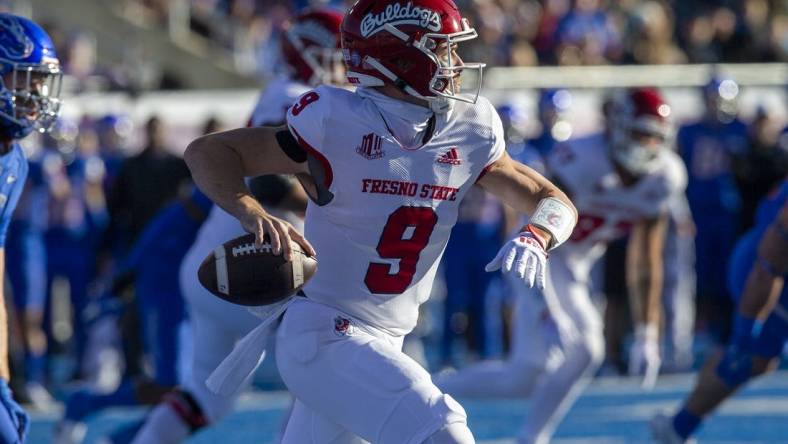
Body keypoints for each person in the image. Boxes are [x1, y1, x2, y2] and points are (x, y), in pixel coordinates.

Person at [186, 1, 577, 442]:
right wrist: (250, 210)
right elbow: (209, 152)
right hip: (325, 333)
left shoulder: (470, 127)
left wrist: (538, 234)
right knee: (443, 429)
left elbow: (553, 200)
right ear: (398, 57)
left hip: (385, 339)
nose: (454, 62)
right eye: (441, 49)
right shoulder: (334, 120)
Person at [124, 8, 345, 444]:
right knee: (326, 368)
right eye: (337, 57)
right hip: (258, 265)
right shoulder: (295, 95)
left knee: (206, 400)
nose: (345, 68)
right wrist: (337, 201)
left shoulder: (285, 92)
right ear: (310, 54)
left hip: (219, 260)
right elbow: (270, 181)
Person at [434, 88, 687, 444]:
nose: (646, 146)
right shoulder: (582, 157)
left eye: (654, 137)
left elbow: (646, 259)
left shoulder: (666, 176)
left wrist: (647, 331)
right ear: (618, 125)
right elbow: (534, 220)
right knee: (587, 348)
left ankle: (431, 388)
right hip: (536, 255)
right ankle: (531, 436)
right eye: (639, 134)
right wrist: (545, 307)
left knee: (522, 378)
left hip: (577, 266)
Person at [651, 177, 788, 443]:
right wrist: (744, 335)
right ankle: (678, 428)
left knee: (756, 361)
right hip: (765, 276)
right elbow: (767, 271)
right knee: (750, 359)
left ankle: (678, 426)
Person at [0, 12, 63, 443]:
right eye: (24, 80)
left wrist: (2, 378)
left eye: (40, 81)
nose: (36, 94)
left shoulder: (14, 160)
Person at [677, 75, 749, 342]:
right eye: (711, 98)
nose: (716, 104)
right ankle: (703, 329)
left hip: (729, 211)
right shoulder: (690, 131)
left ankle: (729, 328)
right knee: (700, 273)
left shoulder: (741, 129)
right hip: (700, 211)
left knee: (730, 272)